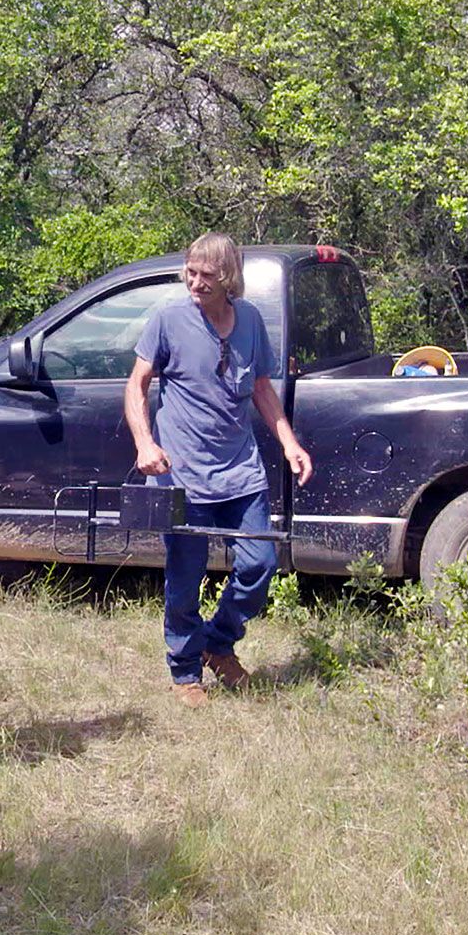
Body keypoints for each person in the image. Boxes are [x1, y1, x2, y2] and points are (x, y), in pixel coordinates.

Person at [124, 233, 314, 708]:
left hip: (240, 470)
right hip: (181, 474)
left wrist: (289, 443)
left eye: (206, 275)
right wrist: (145, 443)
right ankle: (185, 670)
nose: (195, 281)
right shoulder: (168, 320)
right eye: (190, 271)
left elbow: (262, 390)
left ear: (229, 277)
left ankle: (218, 642)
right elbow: (136, 384)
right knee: (185, 578)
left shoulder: (249, 320)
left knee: (260, 564)